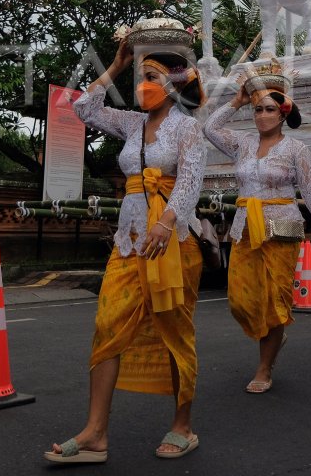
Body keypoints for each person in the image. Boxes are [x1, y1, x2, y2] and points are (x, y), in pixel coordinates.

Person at [46, 38, 208, 463]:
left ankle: (182, 426)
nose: (143, 85)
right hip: (130, 239)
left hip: (173, 242)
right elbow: (81, 109)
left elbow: (190, 182)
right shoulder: (132, 125)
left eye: (150, 78)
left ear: (172, 85)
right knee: (107, 324)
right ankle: (96, 432)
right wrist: (115, 65)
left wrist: (165, 221)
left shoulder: (188, 128)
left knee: (175, 330)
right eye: (141, 78)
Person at [204, 72, 311, 394]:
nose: (261, 115)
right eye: (257, 109)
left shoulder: (296, 149)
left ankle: (265, 366)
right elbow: (209, 128)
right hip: (246, 229)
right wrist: (236, 100)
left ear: (283, 114)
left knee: (275, 302)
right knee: (240, 301)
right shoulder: (242, 144)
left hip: (282, 230)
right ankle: (274, 335)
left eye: (269, 110)